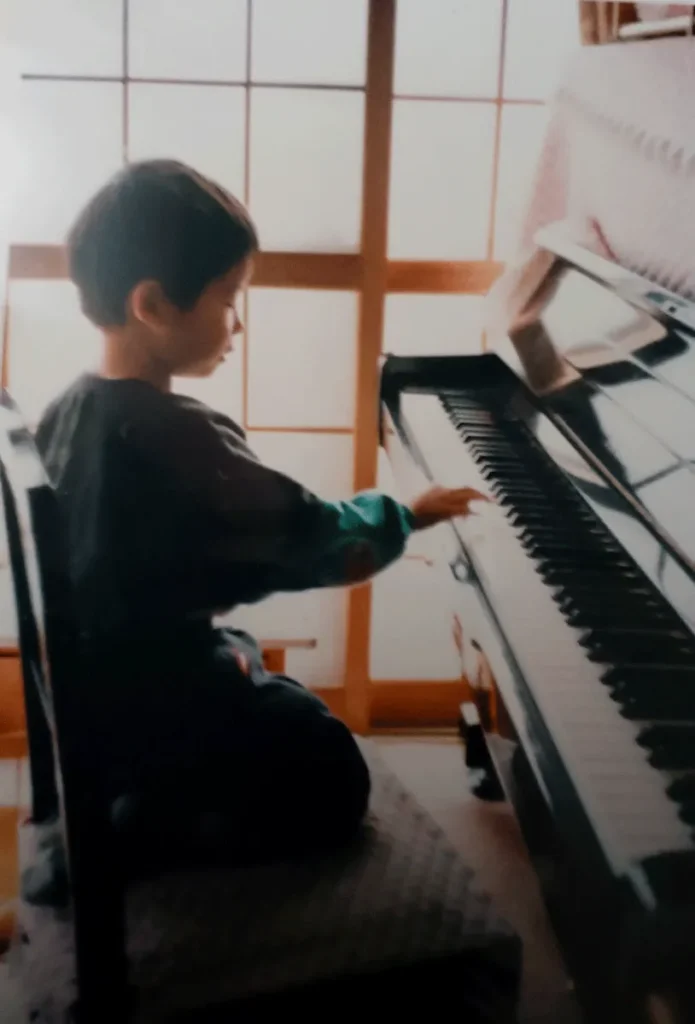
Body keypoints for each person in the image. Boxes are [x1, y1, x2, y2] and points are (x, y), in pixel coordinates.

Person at [35, 160, 487, 868]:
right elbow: (309, 538)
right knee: (330, 761)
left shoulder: (65, 410)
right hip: (155, 718)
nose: (238, 323)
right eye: (228, 298)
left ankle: (145, 805)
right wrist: (405, 514)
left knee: (255, 666)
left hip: (90, 709)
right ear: (152, 304)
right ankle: (160, 830)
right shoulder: (173, 437)